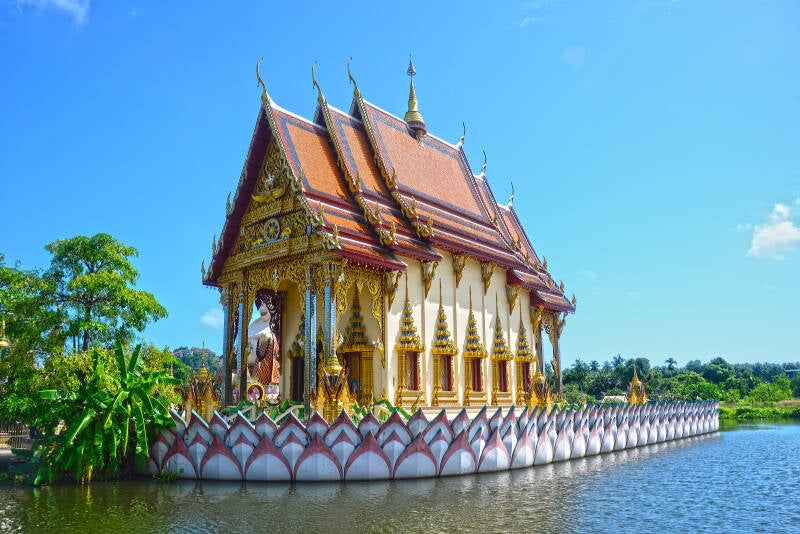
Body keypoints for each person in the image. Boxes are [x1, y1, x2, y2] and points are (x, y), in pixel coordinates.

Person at [247, 303, 280, 385]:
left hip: (262, 366)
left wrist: (268, 338)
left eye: (266, 304)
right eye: (261, 305)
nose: (262, 308)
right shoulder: (254, 324)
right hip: (247, 367)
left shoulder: (275, 322)